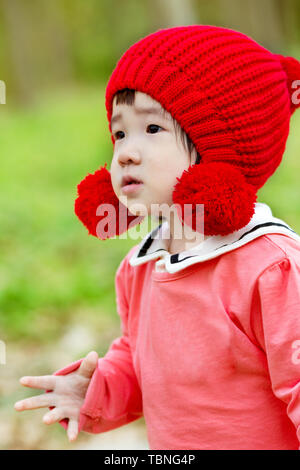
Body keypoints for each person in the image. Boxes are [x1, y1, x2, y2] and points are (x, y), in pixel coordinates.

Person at [14, 25, 300, 450]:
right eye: (120, 133)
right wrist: (97, 391)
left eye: (152, 129)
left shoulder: (270, 267)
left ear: (219, 152)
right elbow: (138, 360)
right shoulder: (141, 266)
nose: (125, 151)